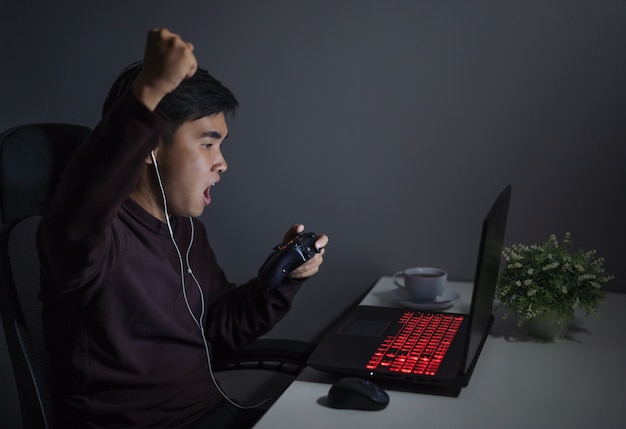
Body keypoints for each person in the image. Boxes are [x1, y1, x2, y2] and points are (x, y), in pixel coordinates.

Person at [36, 28, 329, 429]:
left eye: (221, 145)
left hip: (213, 415)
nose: (222, 162)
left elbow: (218, 328)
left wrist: (282, 278)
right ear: (150, 147)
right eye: (208, 144)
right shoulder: (90, 238)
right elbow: (84, 197)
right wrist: (151, 89)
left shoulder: (186, 232)